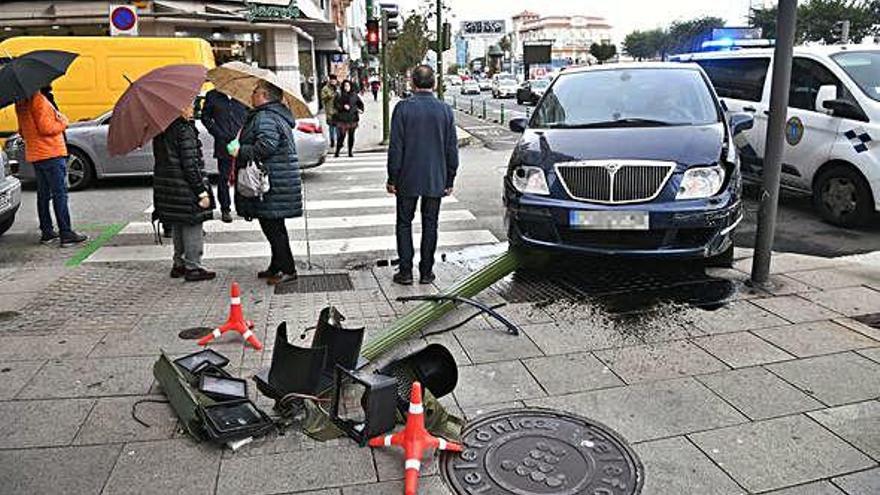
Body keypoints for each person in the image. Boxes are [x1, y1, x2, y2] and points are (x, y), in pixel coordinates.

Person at [386, 65, 459, 285]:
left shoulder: (403, 109)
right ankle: (426, 272)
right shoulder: (445, 110)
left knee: (404, 223)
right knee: (431, 224)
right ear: (434, 84)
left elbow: (396, 148)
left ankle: (406, 272)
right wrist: (449, 178)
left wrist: (392, 178)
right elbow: (451, 149)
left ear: (412, 83)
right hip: (435, 177)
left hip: (407, 177)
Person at [230, 80, 302, 285]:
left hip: (271, 183)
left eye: (254, 91)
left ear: (263, 95)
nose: (251, 94)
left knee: (273, 227)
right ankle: (277, 265)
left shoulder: (265, 117)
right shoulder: (272, 115)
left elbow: (266, 146)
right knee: (273, 225)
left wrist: (240, 151)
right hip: (276, 180)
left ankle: (288, 269)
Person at [14, 86, 87, 247]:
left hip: (36, 154)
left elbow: (22, 131)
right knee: (60, 194)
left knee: (43, 195)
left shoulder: (20, 103)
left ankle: (47, 232)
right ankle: (66, 233)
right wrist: (63, 121)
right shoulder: (38, 99)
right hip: (51, 153)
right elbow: (46, 127)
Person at [151, 103, 216, 282]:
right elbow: (191, 164)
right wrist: (201, 191)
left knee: (179, 222)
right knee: (194, 223)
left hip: (169, 186)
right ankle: (193, 267)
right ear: (178, 108)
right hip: (185, 186)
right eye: (189, 105)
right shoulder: (184, 129)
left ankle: (178, 264)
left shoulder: (161, 128)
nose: (192, 109)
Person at [200, 88, 247, 224]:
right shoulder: (213, 96)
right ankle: (225, 209)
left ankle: (242, 207)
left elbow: (250, 115)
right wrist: (218, 133)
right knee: (224, 178)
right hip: (223, 144)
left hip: (242, 143)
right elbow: (205, 118)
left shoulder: (242, 95)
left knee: (242, 176)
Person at [333, 80, 364, 158]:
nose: (346, 87)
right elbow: (336, 104)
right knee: (342, 136)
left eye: (348, 86)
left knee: (351, 136)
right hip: (343, 118)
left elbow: (360, 104)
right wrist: (342, 107)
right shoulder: (340, 95)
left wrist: (361, 110)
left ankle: (350, 151)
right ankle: (337, 150)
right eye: (345, 86)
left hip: (352, 117)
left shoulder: (354, 95)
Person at [320, 75, 339, 149]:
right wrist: (331, 95)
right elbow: (322, 97)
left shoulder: (338, 88)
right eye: (332, 80)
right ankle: (332, 141)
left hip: (338, 110)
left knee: (338, 127)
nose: (333, 82)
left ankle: (339, 141)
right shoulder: (325, 88)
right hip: (330, 111)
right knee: (331, 127)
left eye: (334, 80)